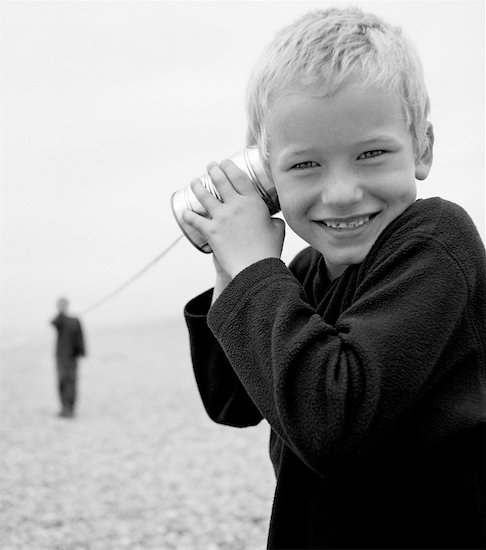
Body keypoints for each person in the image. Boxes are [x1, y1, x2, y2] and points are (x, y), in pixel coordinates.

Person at [181, 7, 485, 550]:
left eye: (371, 154)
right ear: (266, 176)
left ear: (423, 148)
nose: (342, 191)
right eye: (305, 165)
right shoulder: (297, 278)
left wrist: (255, 270)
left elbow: (332, 422)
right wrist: (233, 262)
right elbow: (231, 401)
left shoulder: (435, 244)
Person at [51, 297, 86, 418]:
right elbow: (53, 322)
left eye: (63, 304)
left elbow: (80, 337)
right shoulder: (60, 320)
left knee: (71, 382)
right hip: (60, 357)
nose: (62, 306)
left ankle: (70, 409)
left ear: (68, 305)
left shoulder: (75, 320)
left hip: (72, 358)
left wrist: (81, 352)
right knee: (62, 382)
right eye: (60, 305)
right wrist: (61, 312)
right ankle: (64, 407)